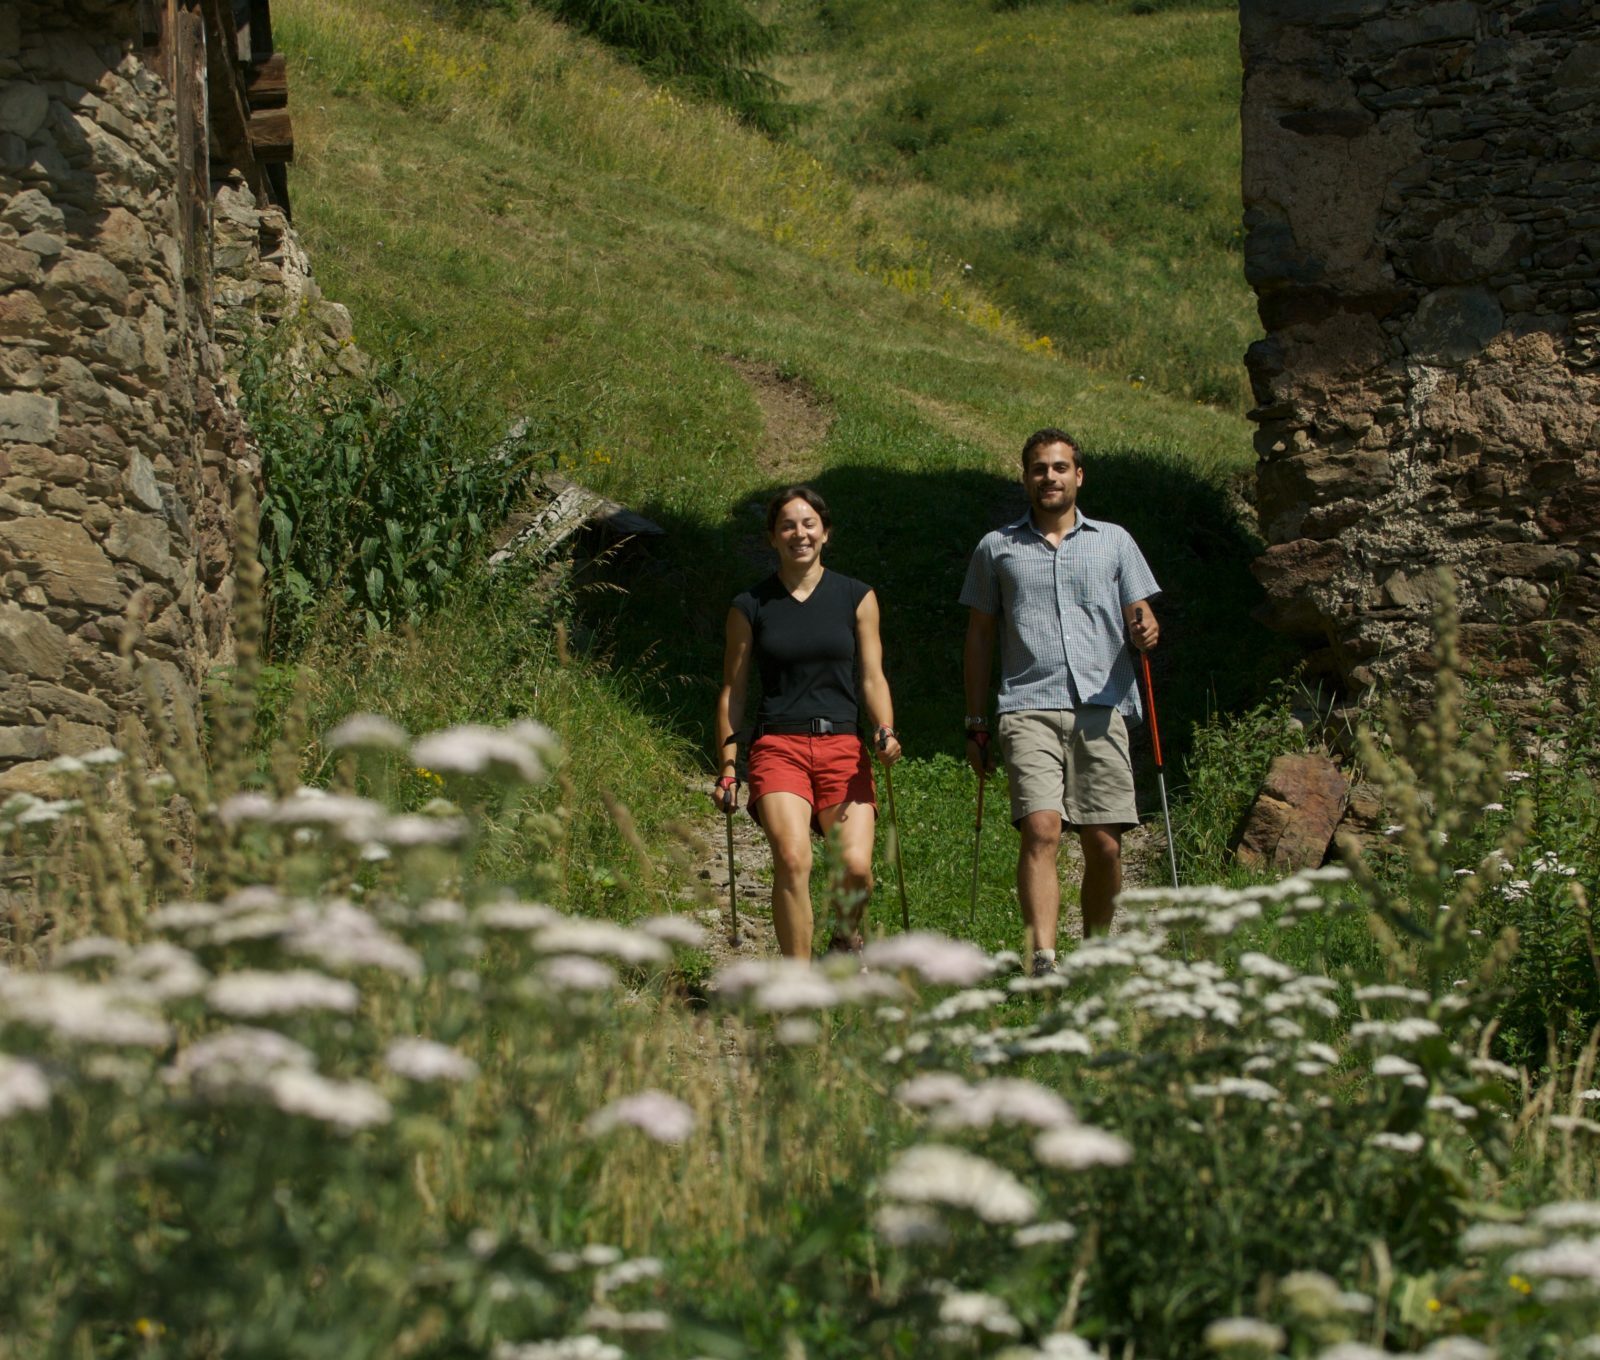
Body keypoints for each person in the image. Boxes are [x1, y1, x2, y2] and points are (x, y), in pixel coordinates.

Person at [960, 428, 1160, 974]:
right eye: (1038, 468)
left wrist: (1145, 631)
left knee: (1105, 844)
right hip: (1026, 704)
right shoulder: (996, 547)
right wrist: (977, 721)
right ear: (1025, 477)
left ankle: (1096, 950)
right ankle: (1042, 957)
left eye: (1059, 467)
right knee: (1042, 828)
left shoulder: (1115, 541)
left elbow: (1142, 617)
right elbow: (979, 636)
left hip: (1103, 704)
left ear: (1079, 475)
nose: (1049, 476)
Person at [714, 485, 903, 959]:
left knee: (856, 868)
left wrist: (884, 729)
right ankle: (799, 985)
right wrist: (730, 765)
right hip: (779, 746)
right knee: (793, 859)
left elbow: (873, 677)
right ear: (772, 538)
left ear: (825, 532)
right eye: (787, 525)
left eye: (808, 523)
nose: (799, 533)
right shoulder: (750, 606)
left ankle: (843, 940)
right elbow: (733, 692)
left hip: (842, 744)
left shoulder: (857, 597)